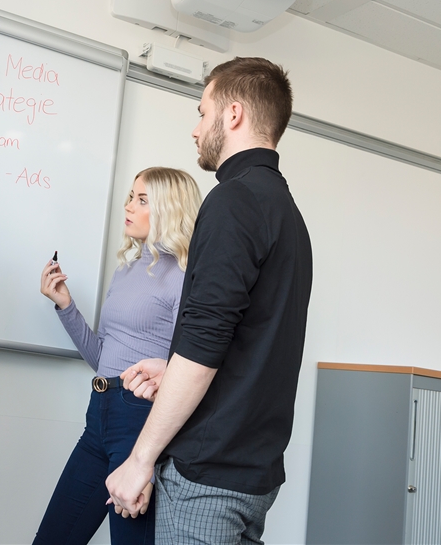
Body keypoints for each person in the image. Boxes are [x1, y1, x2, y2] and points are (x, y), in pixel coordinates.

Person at [106, 57, 313, 543]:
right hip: (254, 472)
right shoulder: (287, 213)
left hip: (208, 477)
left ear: (233, 114)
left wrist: (139, 461)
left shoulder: (231, 200)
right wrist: (172, 366)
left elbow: (205, 344)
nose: (196, 130)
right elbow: (248, 342)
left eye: (202, 113)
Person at [33, 167, 202, 544]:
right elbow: (102, 357)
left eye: (142, 200)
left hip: (140, 421)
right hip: (100, 415)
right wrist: (65, 306)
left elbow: (189, 366)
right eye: (130, 196)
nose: (128, 206)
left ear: (169, 210)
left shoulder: (185, 277)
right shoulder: (127, 268)